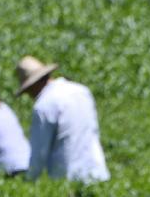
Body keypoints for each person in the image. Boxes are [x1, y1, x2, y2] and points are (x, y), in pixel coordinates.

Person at [15, 56, 110, 184]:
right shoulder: (81, 90)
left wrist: (29, 181)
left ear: (34, 85)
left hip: (69, 179)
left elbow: (39, 153)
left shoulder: (44, 105)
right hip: (97, 171)